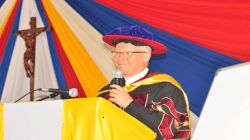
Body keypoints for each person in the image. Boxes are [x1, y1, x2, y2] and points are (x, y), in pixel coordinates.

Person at [98, 25, 190, 140]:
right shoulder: (105, 92)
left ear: (146, 56)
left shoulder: (166, 88)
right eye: (116, 53)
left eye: (127, 53)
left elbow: (168, 132)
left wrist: (130, 105)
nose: (119, 58)